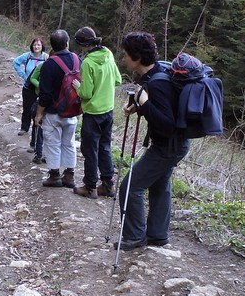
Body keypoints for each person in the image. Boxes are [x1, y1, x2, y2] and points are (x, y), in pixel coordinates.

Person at [116, 32, 190, 250]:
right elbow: (164, 110)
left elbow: (167, 123)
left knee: (130, 187)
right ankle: (157, 235)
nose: (123, 59)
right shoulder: (157, 73)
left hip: (169, 146)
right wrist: (138, 107)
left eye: (126, 55)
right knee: (160, 185)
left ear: (137, 57)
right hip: (173, 144)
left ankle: (134, 236)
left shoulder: (156, 83)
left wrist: (145, 103)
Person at [71, 26, 121, 199]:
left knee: (90, 149)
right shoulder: (108, 53)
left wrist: (77, 87)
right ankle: (108, 184)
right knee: (104, 147)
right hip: (108, 109)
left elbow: (85, 94)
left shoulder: (88, 63)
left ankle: (90, 186)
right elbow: (117, 79)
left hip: (93, 113)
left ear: (83, 45)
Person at [34, 30, 80, 188]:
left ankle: (54, 176)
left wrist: (39, 113)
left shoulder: (49, 64)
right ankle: (69, 175)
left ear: (52, 45)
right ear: (67, 43)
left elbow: (45, 94)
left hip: (53, 112)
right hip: (72, 111)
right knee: (69, 143)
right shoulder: (77, 60)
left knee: (53, 143)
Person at [12, 38, 48, 147]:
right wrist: (23, 75)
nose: (36, 47)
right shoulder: (27, 56)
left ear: (42, 46)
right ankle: (24, 127)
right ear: (32, 46)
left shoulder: (46, 57)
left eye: (39, 45)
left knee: (38, 109)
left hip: (39, 88)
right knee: (26, 107)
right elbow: (15, 62)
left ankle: (35, 130)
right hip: (28, 87)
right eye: (35, 45)